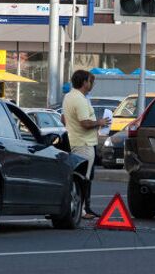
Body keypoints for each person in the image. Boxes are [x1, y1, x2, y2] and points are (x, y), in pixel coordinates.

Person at [62, 70, 109, 219]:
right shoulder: (80, 99)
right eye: (90, 81)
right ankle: (81, 210)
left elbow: (64, 119)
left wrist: (72, 127)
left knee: (77, 177)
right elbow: (85, 123)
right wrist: (100, 122)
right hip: (84, 144)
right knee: (84, 178)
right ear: (84, 83)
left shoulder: (68, 96)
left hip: (73, 141)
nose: (92, 84)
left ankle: (79, 208)